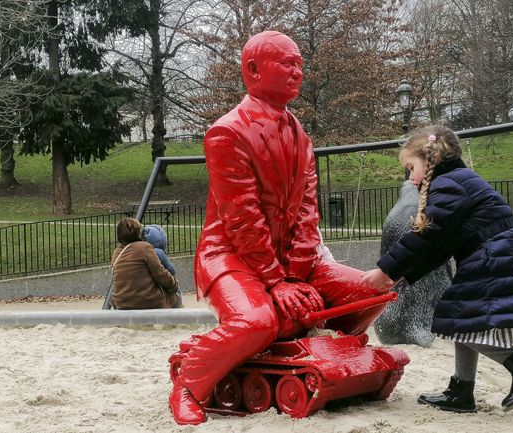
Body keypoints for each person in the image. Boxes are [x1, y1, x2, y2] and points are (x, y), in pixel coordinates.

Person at [168, 30, 385, 425]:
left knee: (372, 291)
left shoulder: (301, 137)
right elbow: (242, 219)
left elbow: (307, 215)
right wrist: (276, 281)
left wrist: (297, 276)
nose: (297, 72)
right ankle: (188, 384)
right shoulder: (226, 133)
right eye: (288, 63)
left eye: (300, 64)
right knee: (258, 320)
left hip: (290, 263)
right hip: (231, 257)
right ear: (252, 69)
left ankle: (324, 344)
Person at [362, 125, 513, 413]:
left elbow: (428, 235)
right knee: (461, 317)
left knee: (458, 319)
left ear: (432, 159)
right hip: (493, 254)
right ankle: (461, 391)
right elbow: (440, 246)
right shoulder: (455, 181)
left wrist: (385, 270)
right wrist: (401, 274)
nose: (411, 177)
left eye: (411, 167)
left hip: (493, 256)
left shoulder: (449, 184)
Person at [110, 218, 180, 310]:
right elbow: (160, 274)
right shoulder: (144, 247)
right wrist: (174, 285)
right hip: (147, 300)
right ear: (137, 232)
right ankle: (177, 321)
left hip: (121, 303)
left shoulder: (116, 253)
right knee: (177, 294)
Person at [141, 224, 183, 308]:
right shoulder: (158, 252)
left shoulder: (142, 252)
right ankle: (178, 303)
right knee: (176, 289)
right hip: (160, 284)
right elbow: (170, 269)